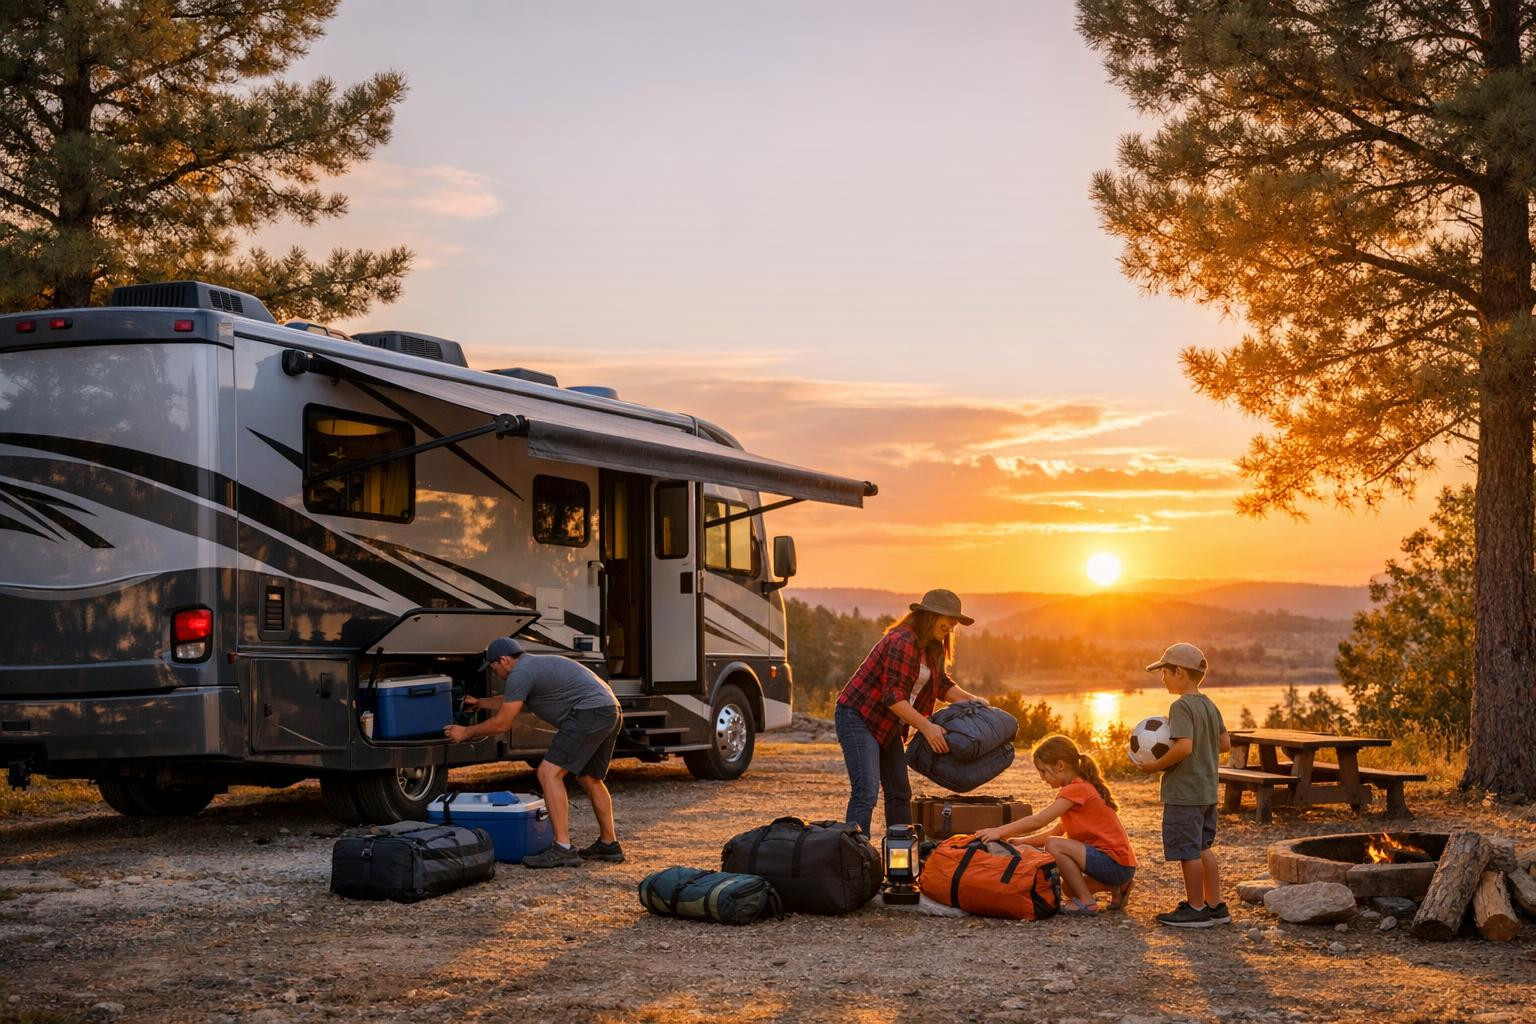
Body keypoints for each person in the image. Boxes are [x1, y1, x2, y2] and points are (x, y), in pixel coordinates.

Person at [444, 637, 625, 869]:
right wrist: (480, 702)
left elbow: (502, 724)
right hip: (609, 709)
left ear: (504, 660)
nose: (495, 672)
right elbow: (512, 701)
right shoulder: (533, 666)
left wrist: (465, 732)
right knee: (590, 778)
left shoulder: (520, 674)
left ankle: (563, 849)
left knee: (548, 773)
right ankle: (609, 844)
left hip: (588, 713)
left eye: (493, 667)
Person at [834, 588, 990, 837]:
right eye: (949, 617)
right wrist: (926, 727)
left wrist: (975, 701)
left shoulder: (934, 647)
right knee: (866, 790)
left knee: (899, 792)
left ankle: (903, 858)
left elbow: (942, 685)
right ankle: (855, 860)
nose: (953, 623)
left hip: (889, 724)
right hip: (858, 716)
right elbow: (892, 697)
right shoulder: (902, 641)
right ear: (930, 615)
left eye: (956, 620)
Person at [973, 733, 1137, 915]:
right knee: (1068, 889)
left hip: (1115, 863)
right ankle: (1119, 887)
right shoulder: (1079, 788)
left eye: (1043, 771)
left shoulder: (1076, 789)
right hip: (1120, 867)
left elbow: (1040, 820)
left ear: (1060, 766)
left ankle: (1087, 902)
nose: (1042, 778)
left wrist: (998, 831)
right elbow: (1057, 831)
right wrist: (1021, 841)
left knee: (1054, 845)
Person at [1137, 642, 1231, 927]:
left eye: (1164, 672)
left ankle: (1195, 908)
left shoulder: (1180, 706)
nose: (1162, 678)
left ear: (1178, 672)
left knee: (1188, 852)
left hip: (1184, 794)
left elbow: (1184, 748)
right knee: (1203, 848)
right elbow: (1225, 743)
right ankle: (1216, 906)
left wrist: (1154, 765)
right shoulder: (1209, 704)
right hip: (1206, 792)